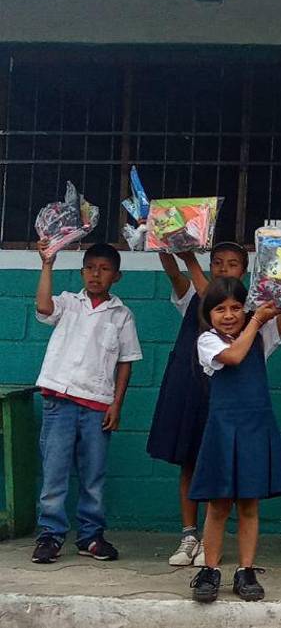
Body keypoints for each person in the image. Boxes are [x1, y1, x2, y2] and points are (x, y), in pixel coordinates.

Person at [188, 277, 281, 603]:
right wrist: (255, 320)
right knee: (218, 504)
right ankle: (210, 570)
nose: (229, 314)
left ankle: (246, 570)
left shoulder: (262, 333)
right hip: (224, 428)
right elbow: (234, 356)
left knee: (249, 504)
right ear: (208, 314)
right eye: (220, 308)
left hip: (255, 427)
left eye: (236, 307)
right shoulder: (208, 340)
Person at [30, 241, 142, 565]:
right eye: (90, 268)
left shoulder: (121, 315)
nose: (96, 274)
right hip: (59, 402)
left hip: (97, 406)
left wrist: (116, 405)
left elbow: (126, 362)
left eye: (104, 269)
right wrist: (47, 264)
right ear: (82, 272)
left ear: (116, 276)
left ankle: (90, 536)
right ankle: (50, 535)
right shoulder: (67, 303)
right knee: (54, 472)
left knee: (93, 475)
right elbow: (43, 307)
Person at [147, 243, 248, 568]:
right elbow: (173, 271)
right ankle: (189, 534)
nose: (223, 269)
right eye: (217, 262)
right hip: (188, 387)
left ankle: (210, 538)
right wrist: (163, 240)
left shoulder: (243, 313)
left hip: (223, 393)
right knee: (188, 460)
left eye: (232, 264)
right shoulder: (191, 293)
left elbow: (211, 295)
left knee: (215, 462)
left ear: (243, 272)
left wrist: (189, 256)